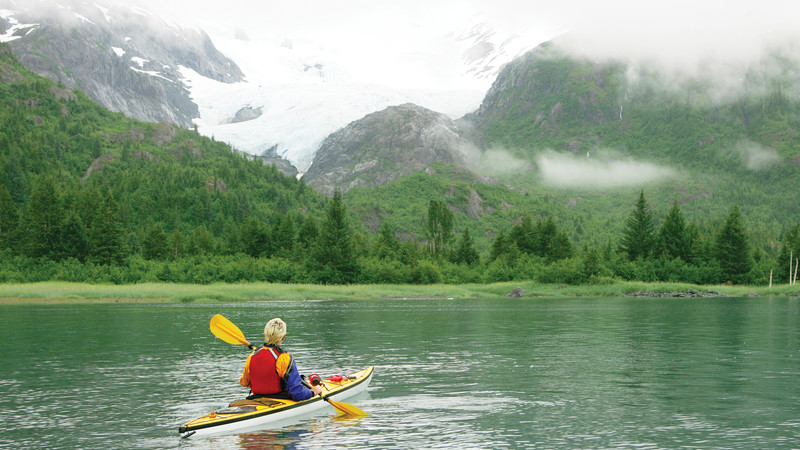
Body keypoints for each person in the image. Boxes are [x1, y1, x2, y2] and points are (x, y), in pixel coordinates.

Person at [239, 318, 322, 400]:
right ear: (283, 337)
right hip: (281, 399)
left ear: (265, 334)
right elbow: (298, 394)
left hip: (256, 399)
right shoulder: (284, 358)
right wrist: (313, 392)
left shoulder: (252, 356)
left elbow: (244, 382)